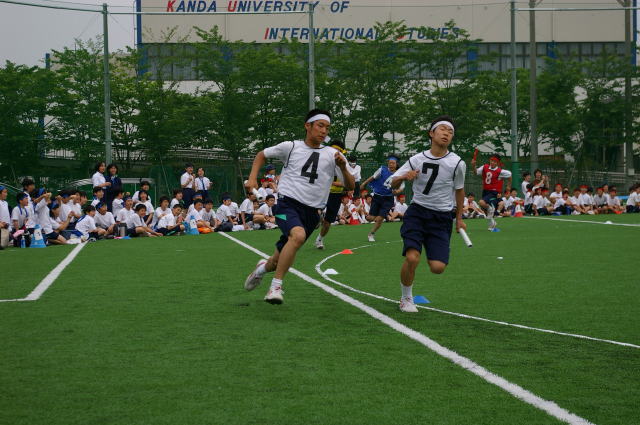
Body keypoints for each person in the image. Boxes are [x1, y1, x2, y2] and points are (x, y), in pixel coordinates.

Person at [243, 109, 354, 304]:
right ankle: (275, 288)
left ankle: (261, 270)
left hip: (312, 214)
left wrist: (343, 168)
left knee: (277, 260)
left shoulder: (333, 155)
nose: (324, 131)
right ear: (307, 126)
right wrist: (252, 178)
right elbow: (261, 155)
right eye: (320, 126)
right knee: (298, 236)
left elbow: (351, 185)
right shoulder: (291, 146)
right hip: (285, 207)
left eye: (327, 128)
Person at [389, 115, 466, 313]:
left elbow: (459, 190)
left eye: (450, 132)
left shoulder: (457, 163)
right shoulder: (417, 159)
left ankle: (431, 248)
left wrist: (459, 219)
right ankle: (406, 298)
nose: (446, 134)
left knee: (437, 267)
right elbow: (392, 182)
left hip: (441, 217)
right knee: (412, 258)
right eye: (443, 129)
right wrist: (404, 176)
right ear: (431, 133)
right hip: (417, 212)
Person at [314, 139, 351, 249]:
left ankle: (320, 239)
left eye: (338, 151)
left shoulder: (343, 164)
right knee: (314, 211)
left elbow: (346, 183)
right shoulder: (322, 161)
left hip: (336, 195)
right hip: (323, 191)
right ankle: (316, 218)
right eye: (333, 150)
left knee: (328, 221)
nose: (335, 153)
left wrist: (334, 183)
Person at [361, 155, 404, 242]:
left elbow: (402, 187)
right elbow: (373, 177)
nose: (391, 165)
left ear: (396, 164)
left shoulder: (399, 175)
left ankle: (371, 234)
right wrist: (364, 184)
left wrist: (397, 192)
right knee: (370, 218)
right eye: (390, 163)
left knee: (380, 218)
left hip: (388, 199)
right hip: (377, 197)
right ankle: (365, 215)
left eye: (393, 163)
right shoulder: (382, 170)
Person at [470, 153, 512, 231]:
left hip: (493, 192)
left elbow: (510, 175)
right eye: (491, 160)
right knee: (487, 211)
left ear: (497, 163)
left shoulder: (500, 171)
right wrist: (473, 165)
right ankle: (492, 224)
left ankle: (491, 209)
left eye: (495, 161)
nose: (492, 162)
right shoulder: (485, 167)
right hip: (485, 191)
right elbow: (476, 172)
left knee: (481, 202)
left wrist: (509, 186)